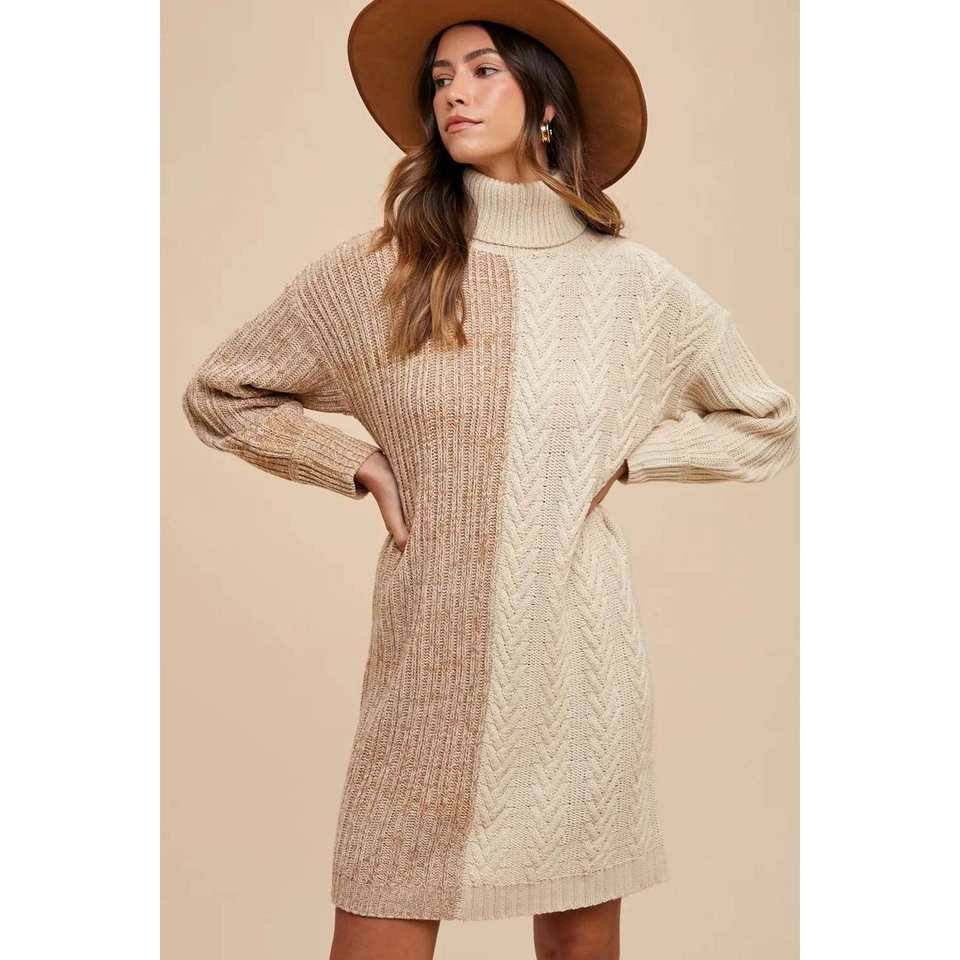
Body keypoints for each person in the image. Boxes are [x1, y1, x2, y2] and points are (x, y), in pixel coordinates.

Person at [181, 1, 799, 957]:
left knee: (580, 946)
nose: (454, 95)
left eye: (481, 71)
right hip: (429, 668)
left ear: (545, 102)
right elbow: (222, 392)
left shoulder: (636, 288)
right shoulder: (384, 272)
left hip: (579, 670)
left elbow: (766, 418)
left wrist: (628, 458)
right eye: (440, 79)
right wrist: (352, 460)